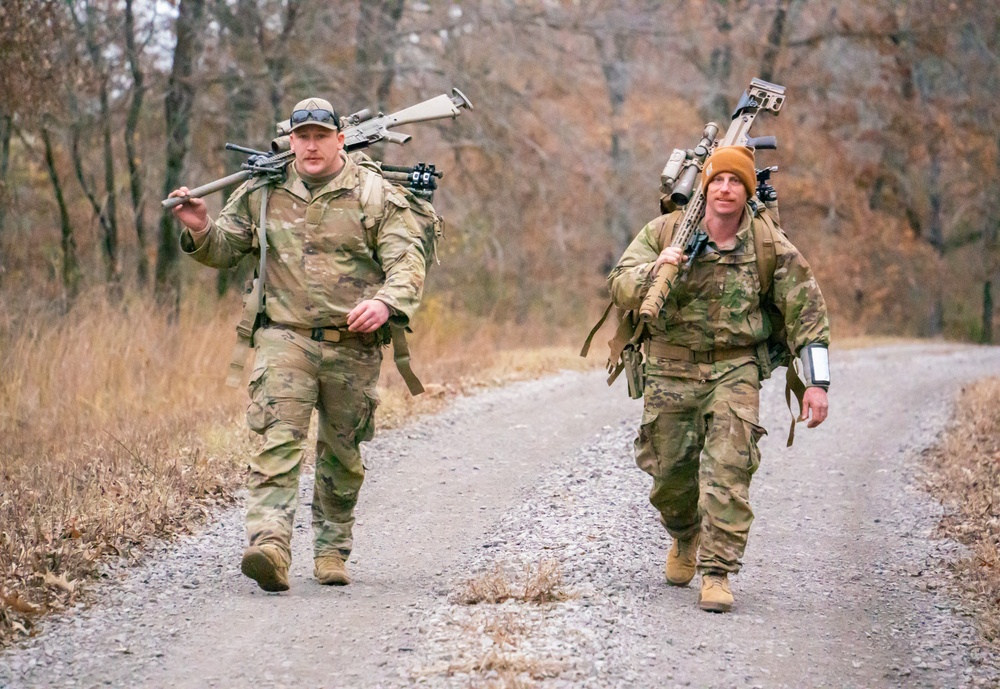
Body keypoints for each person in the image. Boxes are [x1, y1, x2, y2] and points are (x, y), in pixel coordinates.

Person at [168, 97, 427, 592]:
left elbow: (407, 263)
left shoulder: (374, 195)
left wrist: (386, 304)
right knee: (277, 443)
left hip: (354, 344)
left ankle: (331, 550)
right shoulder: (262, 191)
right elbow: (227, 250)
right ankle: (270, 546)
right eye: (302, 136)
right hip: (283, 339)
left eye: (320, 137)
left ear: (340, 139)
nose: (310, 146)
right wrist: (202, 227)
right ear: (291, 140)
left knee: (342, 454)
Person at [608, 145, 830, 613]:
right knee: (670, 475)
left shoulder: (769, 246)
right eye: (717, 181)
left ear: (748, 191)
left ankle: (717, 572)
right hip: (670, 364)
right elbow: (620, 284)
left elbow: (807, 313)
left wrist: (817, 384)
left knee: (728, 469)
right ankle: (685, 536)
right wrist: (657, 266)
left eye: (736, 182)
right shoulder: (665, 231)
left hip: (736, 367)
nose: (725, 189)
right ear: (705, 187)